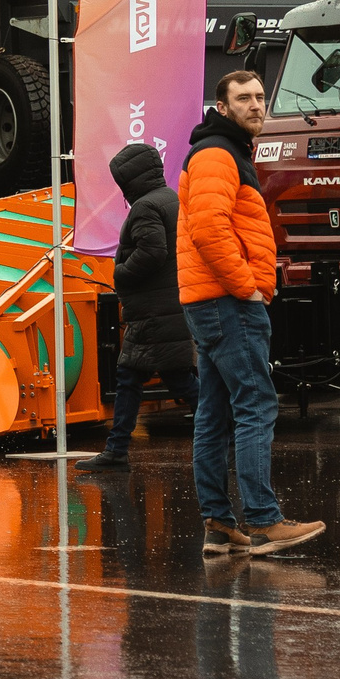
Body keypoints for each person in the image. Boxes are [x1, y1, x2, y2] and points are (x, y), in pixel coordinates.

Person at [178, 69, 325, 556]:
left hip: (210, 300)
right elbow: (208, 229)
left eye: (261, 97)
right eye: (243, 98)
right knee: (255, 404)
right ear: (222, 108)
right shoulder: (218, 154)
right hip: (228, 302)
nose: (256, 105)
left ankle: (219, 525)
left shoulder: (223, 151)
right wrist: (250, 288)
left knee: (214, 412)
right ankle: (263, 521)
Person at [86, 141, 196, 470]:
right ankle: (116, 449)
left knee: (178, 381)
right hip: (166, 307)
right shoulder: (171, 199)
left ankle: (229, 428)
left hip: (153, 312)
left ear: (129, 181)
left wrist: (120, 272)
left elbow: (152, 251)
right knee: (130, 377)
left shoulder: (145, 207)